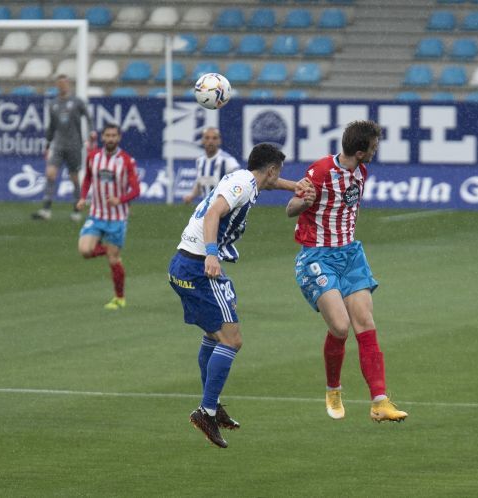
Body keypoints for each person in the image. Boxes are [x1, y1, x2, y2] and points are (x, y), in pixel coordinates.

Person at [169, 143, 314, 448]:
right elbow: (213, 214)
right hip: (199, 266)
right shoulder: (242, 185)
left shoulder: (243, 179)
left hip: (185, 264)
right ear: (272, 169)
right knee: (232, 340)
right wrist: (211, 254)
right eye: (280, 173)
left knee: (214, 335)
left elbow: (267, 182)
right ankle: (206, 412)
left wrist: (294, 186)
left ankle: (212, 404)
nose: (280, 178)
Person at [286, 120, 408, 424]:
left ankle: (379, 401)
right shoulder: (322, 171)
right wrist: (304, 202)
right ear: (359, 150)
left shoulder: (360, 171)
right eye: (373, 146)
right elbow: (290, 207)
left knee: (365, 322)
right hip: (317, 256)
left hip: (351, 255)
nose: (376, 150)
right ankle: (333, 388)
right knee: (340, 327)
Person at [75, 124, 140, 310]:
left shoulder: (126, 161)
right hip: (96, 214)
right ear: (103, 137)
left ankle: (119, 298)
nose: (110, 138)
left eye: (114, 135)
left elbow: (136, 190)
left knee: (113, 260)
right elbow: (88, 178)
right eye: (107, 135)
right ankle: (111, 251)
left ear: (119, 138)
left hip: (117, 218)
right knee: (85, 250)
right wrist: (82, 197)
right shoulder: (93, 157)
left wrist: (120, 199)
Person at [34, 74, 93, 222]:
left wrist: (91, 132)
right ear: (57, 85)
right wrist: (47, 145)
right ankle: (46, 209)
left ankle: (76, 210)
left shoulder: (77, 102)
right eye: (59, 83)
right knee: (50, 174)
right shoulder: (53, 104)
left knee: (74, 179)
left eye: (64, 83)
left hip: (74, 145)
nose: (62, 86)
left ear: (68, 85)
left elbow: (88, 116)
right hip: (59, 144)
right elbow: (51, 127)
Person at [182, 128, 241, 204]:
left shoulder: (228, 160)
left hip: (224, 209)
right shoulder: (200, 161)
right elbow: (200, 183)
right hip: (205, 208)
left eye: (214, 138)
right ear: (202, 141)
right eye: (207, 138)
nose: (210, 141)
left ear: (219, 141)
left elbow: (239, 184)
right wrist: (191, 196)